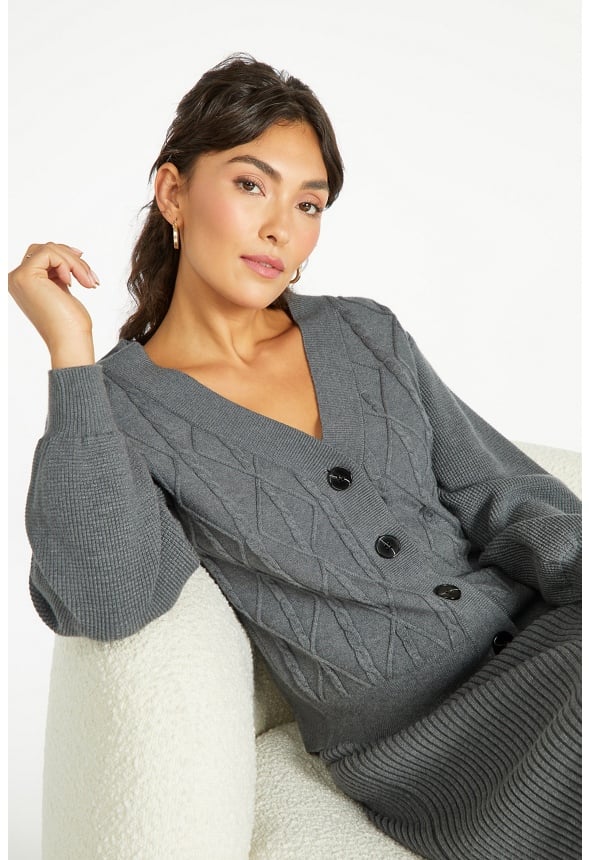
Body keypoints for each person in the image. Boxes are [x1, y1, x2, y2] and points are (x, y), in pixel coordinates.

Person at [8, 54, 581, 860]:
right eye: (251, 185)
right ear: (172, 192)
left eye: (308, 203)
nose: (282, 227)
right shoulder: (118, 409)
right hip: (431, 741)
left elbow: (502, 490)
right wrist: (70, 356)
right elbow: (102, 599)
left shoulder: (364, 333)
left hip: (547, 643)